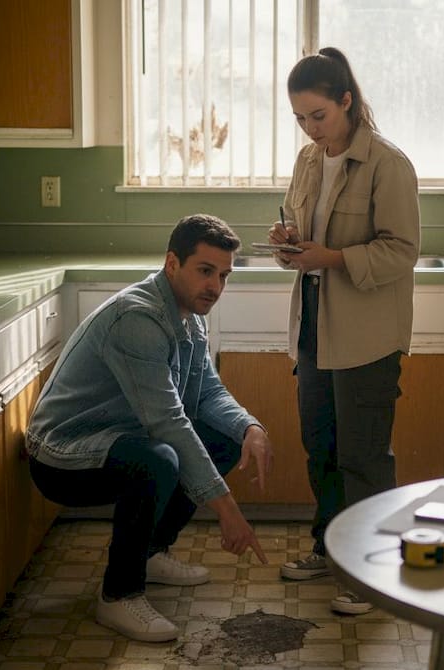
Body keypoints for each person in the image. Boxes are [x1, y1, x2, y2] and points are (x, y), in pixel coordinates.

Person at [25, 214, 272, 642]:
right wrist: (228, 513)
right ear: (172, 263)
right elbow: (168, 422)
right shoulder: (137, 318)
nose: (215, 286)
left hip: (124, 437)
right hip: (63, 455)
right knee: (158, 459)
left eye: (224, 275)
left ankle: (150, 553)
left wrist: (250, 426)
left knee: (221, 439)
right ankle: (118, 595)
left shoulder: (189, 313)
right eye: (205, 271)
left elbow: (208, 393)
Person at [265, 48, 420, 615]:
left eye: (318, 116)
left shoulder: (388, 164)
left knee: (363, 455)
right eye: (301, 118)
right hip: (313, 327)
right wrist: (289, 241)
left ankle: (370, 572)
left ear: (347, 101)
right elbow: (306, 238)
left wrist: (329, 257)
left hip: (366, 335)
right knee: (321, 448)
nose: (310, 128)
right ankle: (329, 551)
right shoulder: (309, 162)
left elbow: (401, 252)